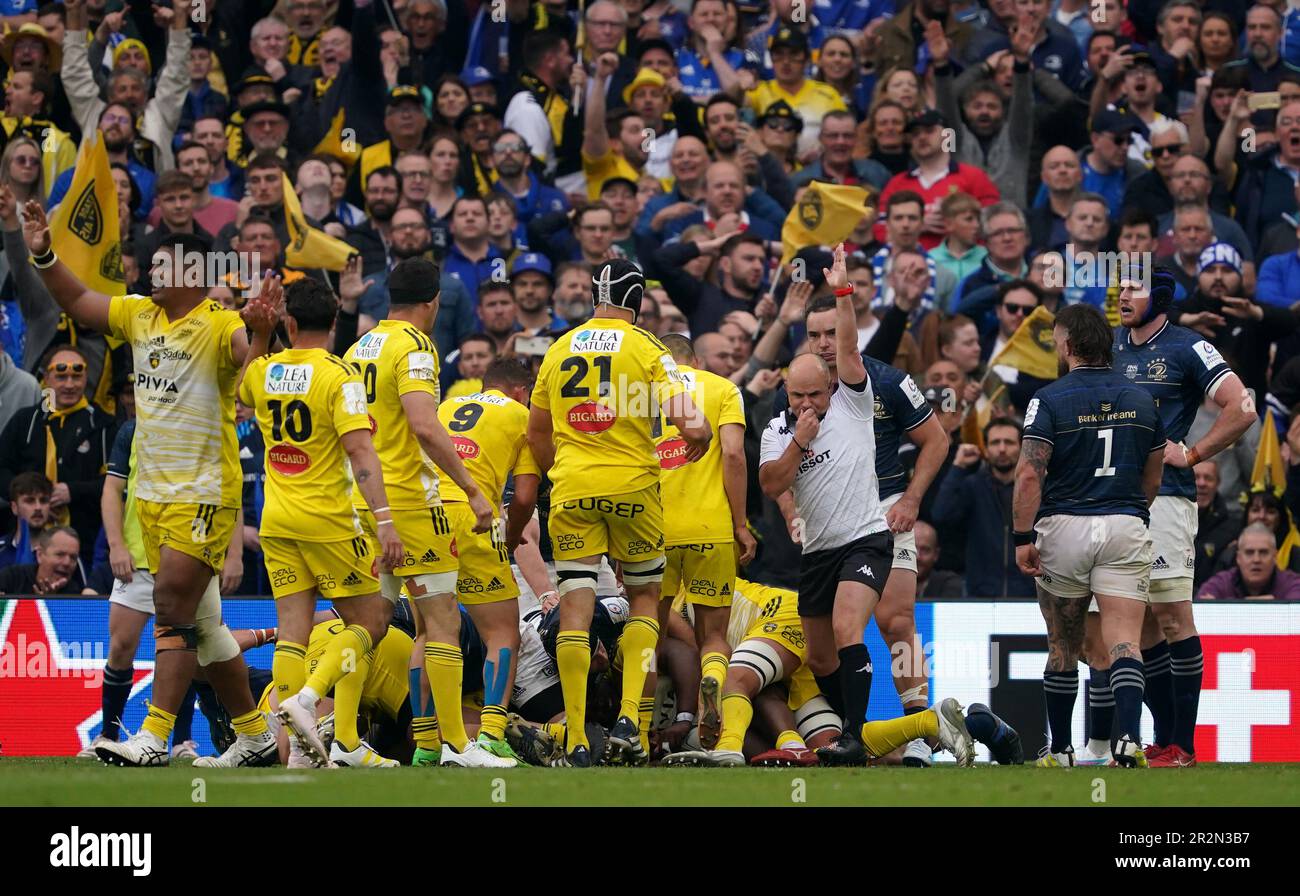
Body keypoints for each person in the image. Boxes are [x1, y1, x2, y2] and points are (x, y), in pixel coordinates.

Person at [20, 210, 278, 768]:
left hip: (204, 494)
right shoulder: (140, 315)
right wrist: (43, 253)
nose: (150, 274)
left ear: (192, 273)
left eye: (162, 266)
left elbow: (248, 363)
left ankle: (155, 738)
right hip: (154, 499)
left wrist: (258, 330)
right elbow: (80, 302)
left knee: (171, 610)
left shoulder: (219, 322)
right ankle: (255, 735)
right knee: (207, 631)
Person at [526, 258, 711, 766]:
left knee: (576, 613)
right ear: (636, 302)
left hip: (572, 491)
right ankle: (630, 715)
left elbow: (536, 431)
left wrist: (559, 473)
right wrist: (700, 438)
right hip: (633, 489)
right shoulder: (649, 347)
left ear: (594, 296)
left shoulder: (559, 347)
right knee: (646, 597)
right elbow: (689, 421)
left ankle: (578, 737)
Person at [760, 244, 936, 767]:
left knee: (894, 618)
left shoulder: (867, 385)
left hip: (877, 519)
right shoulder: (786, 410)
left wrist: (910, 498)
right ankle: (869, 738)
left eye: (830, 334)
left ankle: (916, 725)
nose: (823, 343)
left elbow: (937, 440)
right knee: (821, 652)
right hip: (820, 536)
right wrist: (792, 510)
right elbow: (773, 481)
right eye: (812, 335)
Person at [340, 257, 505, 769]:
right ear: (433, 302)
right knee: (440, 622)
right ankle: (458, 746)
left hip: (364, 501)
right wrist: (473, 490)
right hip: (410, 501)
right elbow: (425, 426)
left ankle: (340, 733)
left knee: (370, 621)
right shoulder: (414, 346)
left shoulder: (359, 347)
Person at [236, 278, 405, 769]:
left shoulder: (266, 369)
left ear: (289, 323)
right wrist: (385, 521)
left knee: (292, 633)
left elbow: (242, 386)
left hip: (276, 520)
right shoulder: (340, 375)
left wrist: (261, 335)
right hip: (329, 521)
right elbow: (360, 452)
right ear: (335, 322)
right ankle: (309, 699)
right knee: (370, 622)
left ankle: (294, 757)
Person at [1111, 267, 1255, 768]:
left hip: (1167, 500)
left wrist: (1192, 455)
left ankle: (1183, 745)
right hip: (1113, 502)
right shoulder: (1109, 345)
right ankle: (1168, 741)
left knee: (1173, 617)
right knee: (1141, 627)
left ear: (1163, 298)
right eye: (1121, 286)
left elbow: (1244, 406)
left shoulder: (1189, 347)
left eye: (1134, 287)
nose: (1123, 294)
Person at [1014, 302, 1165, 768]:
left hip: (1065, 528)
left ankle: (1059, 750)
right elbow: (1154, 476)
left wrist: (1021, 537)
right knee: (1124, 642)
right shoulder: (1142, 399)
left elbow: (1027, 475)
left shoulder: (1050, 399)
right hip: (1124, 522)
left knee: (1062, 642)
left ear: (1070, 346)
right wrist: (1127, 508)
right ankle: (1128, 742)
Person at [431, 358, 542, 762]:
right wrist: (510, 540)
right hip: (472, 518)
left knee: (431, 631)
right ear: (519, 391)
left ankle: (428, 745)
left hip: (423, 515)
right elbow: (526, 497)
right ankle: (491, 734)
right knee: (502, 633)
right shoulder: (521, 416)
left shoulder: (447, 405)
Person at [654, 333, 756, 749]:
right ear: (695, 359)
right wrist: (741, 523)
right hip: (710, 529)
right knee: (712, 635)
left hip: (654, 530)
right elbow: (733, 454)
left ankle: (637, 729)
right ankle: (712, 678)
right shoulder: (723, 388)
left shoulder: (646, 392)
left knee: (648, 633)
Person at [932, 418, 1036, 597]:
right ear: (986, 449)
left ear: (1021, 448)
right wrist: (958, 467)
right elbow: (941, 515)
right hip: (979, 595)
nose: (1002, 449)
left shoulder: (1034, 489)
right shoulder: (973, 486)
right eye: (995, 442)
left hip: (1028, 595)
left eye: (1009, 442)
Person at [1198, 522, 1300, 600]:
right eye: (1249, 552)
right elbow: (1200, 608)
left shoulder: (1293, 584)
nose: (1256, 560)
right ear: (1238, 558)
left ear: (1275, 556)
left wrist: (1222, 606)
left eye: (1263, 552)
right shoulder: (1221, 582)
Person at [0, 525, 85, 594]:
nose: (67, 563)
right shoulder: (11, 578)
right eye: (60, 554)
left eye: (73, 558)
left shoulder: (75, 595)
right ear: (40, 555)